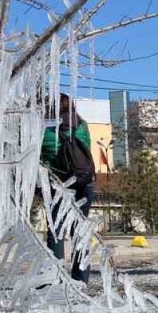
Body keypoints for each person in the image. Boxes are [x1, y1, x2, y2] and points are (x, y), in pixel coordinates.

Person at [40, 93, 96, 282]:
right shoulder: (83, 126)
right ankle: (81, 279)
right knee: (80, 232)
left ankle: (53, 278)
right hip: (85, 184)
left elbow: (41, 156)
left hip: (59, 187)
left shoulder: (46, 132)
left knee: (56, 232)